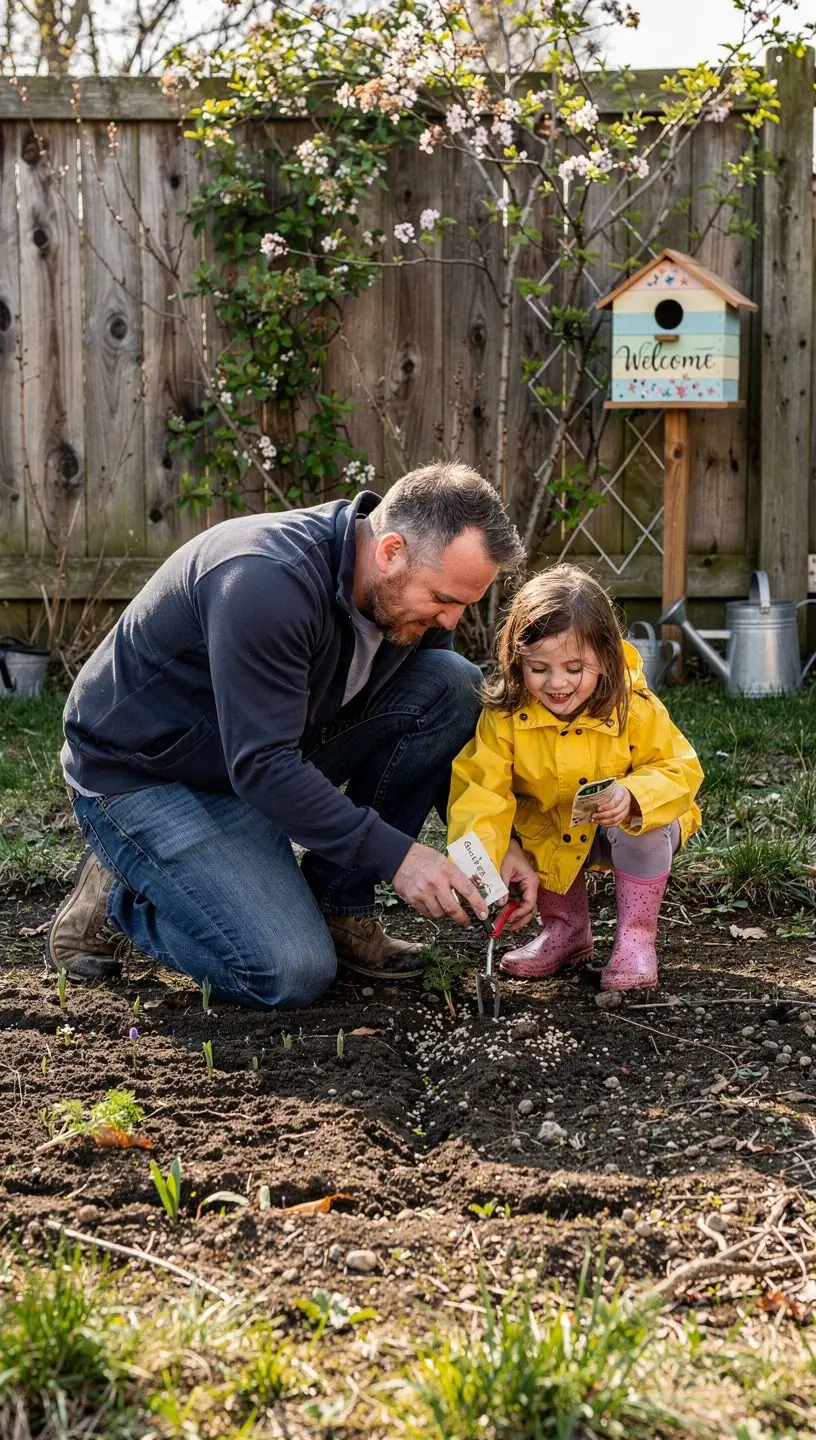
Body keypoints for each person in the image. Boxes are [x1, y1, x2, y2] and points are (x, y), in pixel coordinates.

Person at [48, 462, 524, 1008]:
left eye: (466, 603)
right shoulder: (265, 580)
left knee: (453, 684)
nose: (450, 620)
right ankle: (124, 898)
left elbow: (439, 733)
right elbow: (263, 767)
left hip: (259, 752)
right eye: (445, 598)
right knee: (287, 973)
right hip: (147, 775)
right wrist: (400, 858)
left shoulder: (401, 601)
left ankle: (342, 910)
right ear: (390, 551)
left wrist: (492, 844)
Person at [447, 565, 703, 992]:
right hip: (556, 827)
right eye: (540, 668)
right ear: (517, 659)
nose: (558, 683)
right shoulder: (507, 717)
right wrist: (485, 862)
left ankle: (636, 939)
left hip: (619, 828)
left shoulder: (632, 707)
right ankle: (566, 930)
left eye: (574, 667)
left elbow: (680, 766)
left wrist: (635, 795)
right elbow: (480, 790)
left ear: (605, 656)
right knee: (529, 823)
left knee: (646, 827)